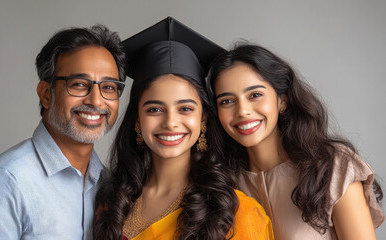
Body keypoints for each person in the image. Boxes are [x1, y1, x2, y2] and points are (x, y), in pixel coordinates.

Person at [93, 17, 274, 240]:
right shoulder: (110, 202)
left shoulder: (236, 214)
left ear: (204, 119)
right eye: (154, 109)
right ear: (137, 120)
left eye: (185, 108)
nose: (170, 122)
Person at [206, 43, 385, 239]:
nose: (242, 111)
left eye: (255, 95)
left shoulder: (332, 167)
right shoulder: (222, 184)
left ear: (282, 100)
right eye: (227, 101)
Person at [0, 24, 126, 239]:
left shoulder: (109, 185)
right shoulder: (5, 181)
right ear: (45, 94)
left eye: (108, 87)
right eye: (78, 84)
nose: (96, 100)